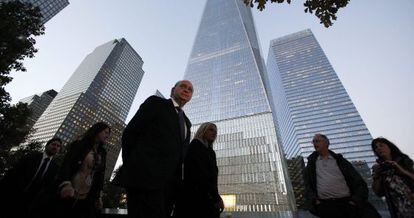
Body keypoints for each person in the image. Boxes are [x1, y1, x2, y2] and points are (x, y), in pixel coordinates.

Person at [121, 80, 193, 218]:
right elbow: (130, 133)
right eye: (183, 86)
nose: (186, 90)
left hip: (170, 186)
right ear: (173, 90)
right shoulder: (156, 103)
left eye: (190, 89)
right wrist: (134, 167)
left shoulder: (187, 122)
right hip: (144, 180)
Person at [303, 133, 380, 218]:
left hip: (347, 203)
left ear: (326, 143)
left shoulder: (340, 161)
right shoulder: (311, 163)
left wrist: (354, 201)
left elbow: (358, 181)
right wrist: (316, 202)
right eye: (313, 142)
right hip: (326, 206)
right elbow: (307, 185)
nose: (314, 143)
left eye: (317, 141)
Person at [56, 122, 110, 218]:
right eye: (105, 132)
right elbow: (66, 164)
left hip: (88, 196)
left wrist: (99, 196)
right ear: (97, 131)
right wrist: (66, 184)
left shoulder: (103, 152)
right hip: (70, 190)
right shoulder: (80, 144)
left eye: (108, 133)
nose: (107, 136)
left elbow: (100, 175)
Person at [0, 138, 62, 218]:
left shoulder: (55, 167)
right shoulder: (32, 156)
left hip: (29, 202)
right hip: (12, 193)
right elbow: (15, 171)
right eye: (53, 144)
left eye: (58, 146)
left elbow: (47, 186)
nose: (55, 147)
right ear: (47, 145)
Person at [174, 122, 224, 218]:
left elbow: (212, 179)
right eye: (211, 129)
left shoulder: (210, 152)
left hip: (206, 197)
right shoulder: (195, 146)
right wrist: (216, 198)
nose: (214, 133)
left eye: (216, 131)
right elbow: (201, 175)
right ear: (203, 131)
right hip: (194, 199)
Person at [371, 137, 414, 217]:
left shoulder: (404, 160)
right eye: (375, 148)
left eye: (381, 145)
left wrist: (401, 170)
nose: (378, 148)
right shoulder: (378, 167)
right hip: (398, 209)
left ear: (389, 147)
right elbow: (378, 193)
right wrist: (377, 175)